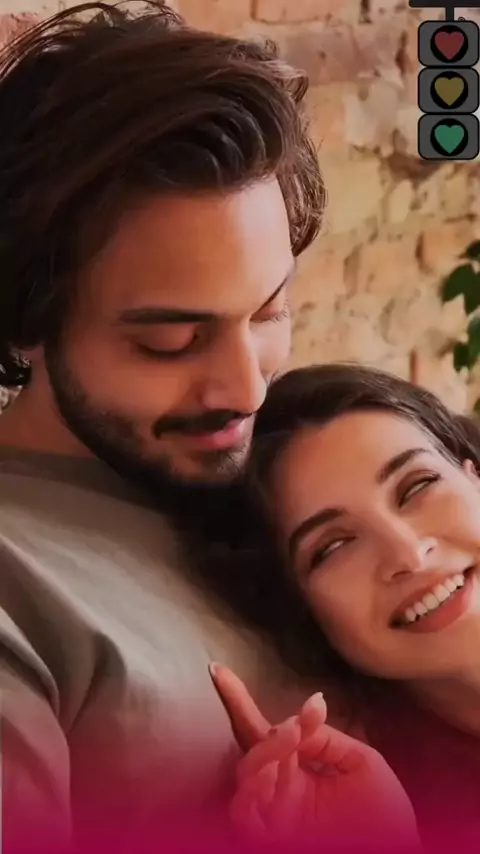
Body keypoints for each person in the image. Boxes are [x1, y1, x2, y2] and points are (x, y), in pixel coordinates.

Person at [0, 2, 326, 851]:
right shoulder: (19, 589)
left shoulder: (299, 468)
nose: (246, 387)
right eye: (169, 343)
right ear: (25, 322)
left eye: (269, 311)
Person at [213, 363, 480, 852]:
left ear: (474, 476)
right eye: (333, 547)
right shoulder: (376, 804)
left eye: (417, 486)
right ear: (303, 611)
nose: (407, 553)